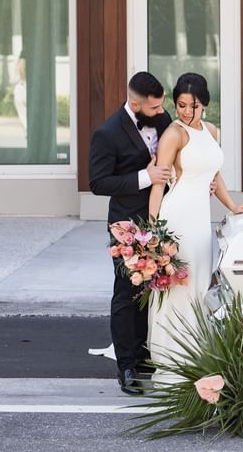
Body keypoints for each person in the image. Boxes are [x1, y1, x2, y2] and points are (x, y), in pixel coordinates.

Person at [147, 73, 243, 383]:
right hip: (177, 218)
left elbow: (214, 175)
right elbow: (158, 185)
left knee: (198, 288)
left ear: (204, 104)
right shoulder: (174, 134)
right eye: (180, 105)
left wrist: (233, 206)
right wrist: (154, 233)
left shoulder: (211, 130)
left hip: (199, 220)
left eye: (191, 106)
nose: (184, 111)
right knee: (179, 290)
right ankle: (172, 364)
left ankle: (196, 357)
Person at [88, 72, 172, 396]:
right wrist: (144, 176)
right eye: (153, 107)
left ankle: (146, 354)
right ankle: (127, 365)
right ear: (134, 103)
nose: (160, 111)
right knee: (126, 292)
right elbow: (98, 183)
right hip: (127, 225)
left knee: (154, 288)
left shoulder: (162, 120)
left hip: (162, 219)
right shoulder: (107, 133)